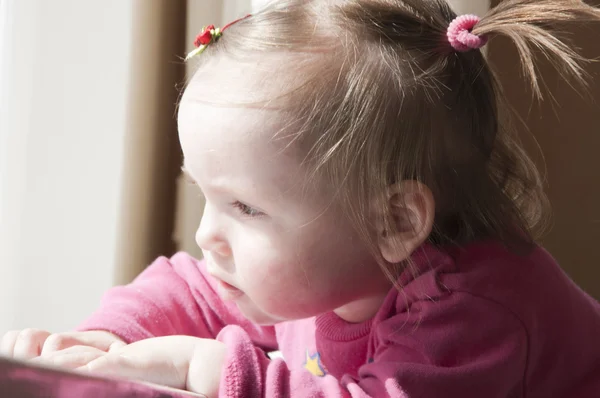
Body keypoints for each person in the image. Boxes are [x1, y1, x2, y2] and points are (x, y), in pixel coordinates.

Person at [2, 0, 600, 396]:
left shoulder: (474, 316)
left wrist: (206, 369)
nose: (208, 235)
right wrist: (108, 340)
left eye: (246, 208)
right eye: (204, 194)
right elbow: (188, 288)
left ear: (393, 220)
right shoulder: (338, 261)